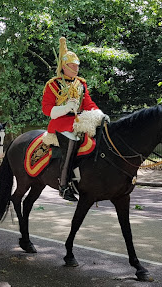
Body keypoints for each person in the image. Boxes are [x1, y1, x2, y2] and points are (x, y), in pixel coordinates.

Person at [41, 37, 105, 201]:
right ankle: (64, 185)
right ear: (64, 67)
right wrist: (64, 108)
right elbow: (47, 109)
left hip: (78, 120)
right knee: (71, 142)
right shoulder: (53, 85)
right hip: (60, 123)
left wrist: (99, 113)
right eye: (73, 66)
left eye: (77, 66)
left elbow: (88, 103)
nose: (76, 69)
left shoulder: (81, 84)